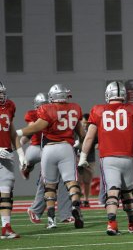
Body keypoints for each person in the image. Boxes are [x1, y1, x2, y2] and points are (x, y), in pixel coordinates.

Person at [78, 81, 133, 235]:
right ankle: (132, 223)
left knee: (112, 191)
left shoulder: (97, 110)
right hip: (126, 157)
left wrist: (83, 157)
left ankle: (112, 223)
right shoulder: (132, 109)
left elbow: (89, 138)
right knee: (128, 192)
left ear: (108, 95)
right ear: (123, 95)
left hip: (108, 158)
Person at [16, 84, 85, 230]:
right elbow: (82, 134)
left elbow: (36, 127)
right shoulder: (74, 108)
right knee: (71, 182)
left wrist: (18, 133)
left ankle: (51, 219)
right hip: (67, 147)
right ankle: (75, 206)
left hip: (49, 148)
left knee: (49, 185)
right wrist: (80, 148)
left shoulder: (46, 109)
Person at [22, 93, 73, 225]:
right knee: (47, 179)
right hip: (37, 148)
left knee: (60, 178)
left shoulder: (55, 113)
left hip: (50, 148)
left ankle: (64, 214)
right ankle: (27, 168)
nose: (42, 109)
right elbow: (31, 130)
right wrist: (19, 142)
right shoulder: (35, 115)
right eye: (40, 107)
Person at [0, 81, 24, 239]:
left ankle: (6, 227)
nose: (2, 96)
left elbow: (11, 130)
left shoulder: (9, 106)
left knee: (6, 191)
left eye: (2, 92)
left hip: (6, 154)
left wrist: (21, 153)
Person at [77, 113, 97, 207]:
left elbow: (96, 143)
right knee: (78, 180)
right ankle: (78, 199)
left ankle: (86, 199)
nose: (85, 125)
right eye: (83, 123)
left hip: (89, 157)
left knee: (87, 180)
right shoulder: (76, 130)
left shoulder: (93, 130)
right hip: (77, 157)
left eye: (86, 123)